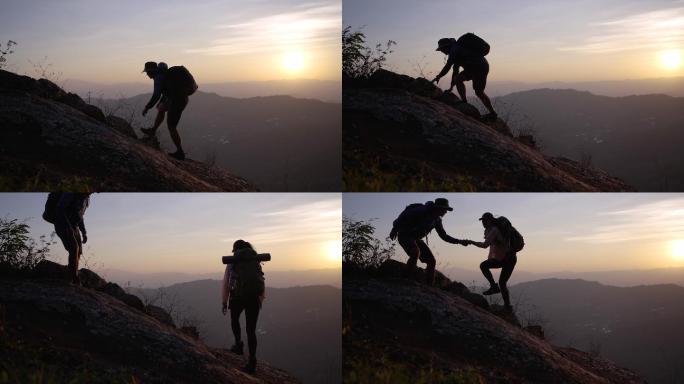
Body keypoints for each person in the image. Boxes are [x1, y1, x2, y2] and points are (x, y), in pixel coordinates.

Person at [389, 198, 467, 286]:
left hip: (416, 238)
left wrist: (459, 241)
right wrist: (394, 229)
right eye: (445, 209)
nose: (446, 212)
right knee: (415, 252)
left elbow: (444, 236)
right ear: (439, 208)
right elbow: (403, 216)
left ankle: (429, 286)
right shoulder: (422, 210)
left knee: (431, 261)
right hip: (405, 235)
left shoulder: (437, 220)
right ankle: (406, 279)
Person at [221, 240, 265, 374]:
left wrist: (224, 301)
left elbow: (226, 283)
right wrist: (260, 299)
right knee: (251, 330)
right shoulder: (255, 260)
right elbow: (260, 280)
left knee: (235, 320)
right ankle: (252, 361)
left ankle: (238, 344)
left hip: (237, 297)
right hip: (253, 297)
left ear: (235, 250)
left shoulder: (233, 262)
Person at [431, 35, 498, 121]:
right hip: (473, 68)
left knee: (479, 92)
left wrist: (439, 76)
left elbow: (447, 67)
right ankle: (464, 102)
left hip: (480, 67)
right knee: (458, 79)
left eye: (441, 49)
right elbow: (455, 71)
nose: (442, 52)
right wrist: (451, 86)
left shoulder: (454, 50)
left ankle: (493, 114)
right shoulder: (456, 51)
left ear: (446, 47)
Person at [464, 212, 517, 312]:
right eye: (482, 221)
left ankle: (494, 288)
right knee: (502, 282)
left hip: (507, 258)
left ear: (491, 220)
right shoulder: (491, 230)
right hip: (507, 258)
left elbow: (485, 245)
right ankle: (507, 306)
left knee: (485, 267)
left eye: (485, 220)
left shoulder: (494, 230)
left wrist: (471, 242)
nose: (483, 222)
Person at [140, 61, 192, 160]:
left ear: (151, 71)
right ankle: (153, 131)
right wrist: (161, 102)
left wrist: (147, 107)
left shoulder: (158, 77)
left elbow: (156, 95)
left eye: (147, 72)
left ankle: (180, 152)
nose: (147, 74)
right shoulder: (164, 76)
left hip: (178, 100)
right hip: (178, 97)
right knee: (161, 108)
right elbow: (167, 92)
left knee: (171, 126)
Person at [53, 193, 91, 285]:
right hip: (62, 224)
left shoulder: (86, 199)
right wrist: (67, 226)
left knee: (78, 252)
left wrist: (83, 232)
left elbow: (80, 216)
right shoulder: (70, 193)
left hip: (74, 226)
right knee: (74, 249)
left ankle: (73, 276)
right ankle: (73, 279)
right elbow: (60, 209)